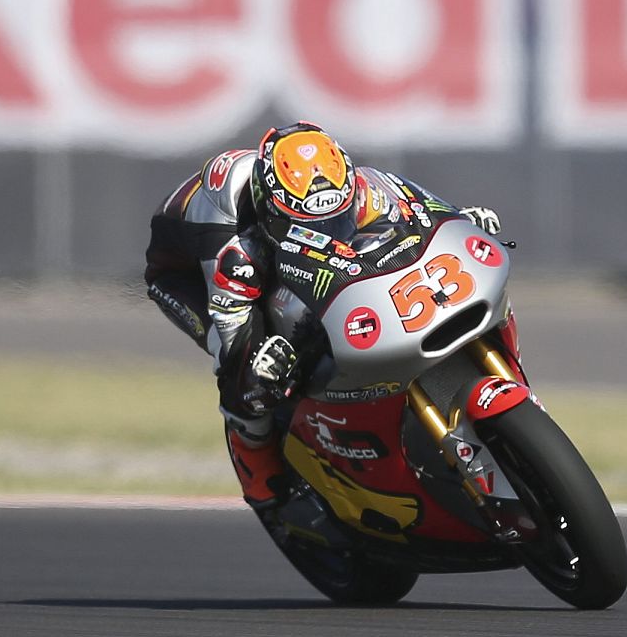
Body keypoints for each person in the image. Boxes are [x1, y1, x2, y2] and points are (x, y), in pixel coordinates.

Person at [143, 121, 503, 512]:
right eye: (310, 226)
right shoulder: (232, 242)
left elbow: (417, 209)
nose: (330, 234)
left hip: (275, 239)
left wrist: (458, 221)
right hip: (189, 275)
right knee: (247, 373)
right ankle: (257, 468)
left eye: (338, 220)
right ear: (269, 207)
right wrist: (259, 360)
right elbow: (234, 332)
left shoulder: (359, 184)